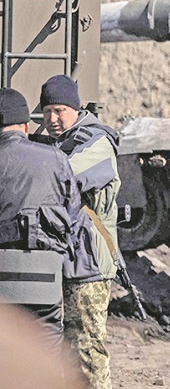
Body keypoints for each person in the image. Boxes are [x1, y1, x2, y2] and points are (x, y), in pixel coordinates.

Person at [34, 74, 121, 389]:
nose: (52, 119)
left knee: (86, 346)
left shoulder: (96, 143)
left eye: (60, 111)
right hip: (61, 258)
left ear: (76, 108)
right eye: (47, 111)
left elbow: (63, 179)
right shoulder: (51, 144)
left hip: (89, 263)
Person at [0, 87, 94, 346]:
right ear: (26, 127)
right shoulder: (55, 157)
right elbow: (74, 214)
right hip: (46, 276)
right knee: (48, 355)